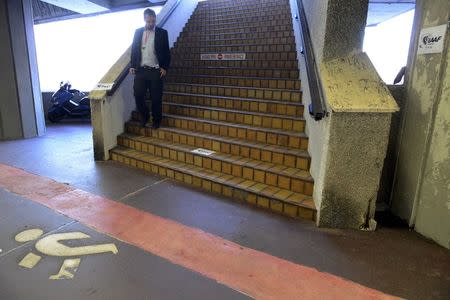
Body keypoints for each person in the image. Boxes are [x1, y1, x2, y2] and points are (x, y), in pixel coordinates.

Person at [130, 8, 170, 129]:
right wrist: (132, 65)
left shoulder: (162, 33)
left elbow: (166, 52)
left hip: (156, 70)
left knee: (156, 98)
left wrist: (164, 67)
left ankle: (156, 120)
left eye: (153, 21)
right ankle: (145, 116)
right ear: (144, 19)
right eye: (149, 22)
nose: (151, 24)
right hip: (141, 70)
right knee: (138, 95)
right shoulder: (138, 32)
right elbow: (134, 50)